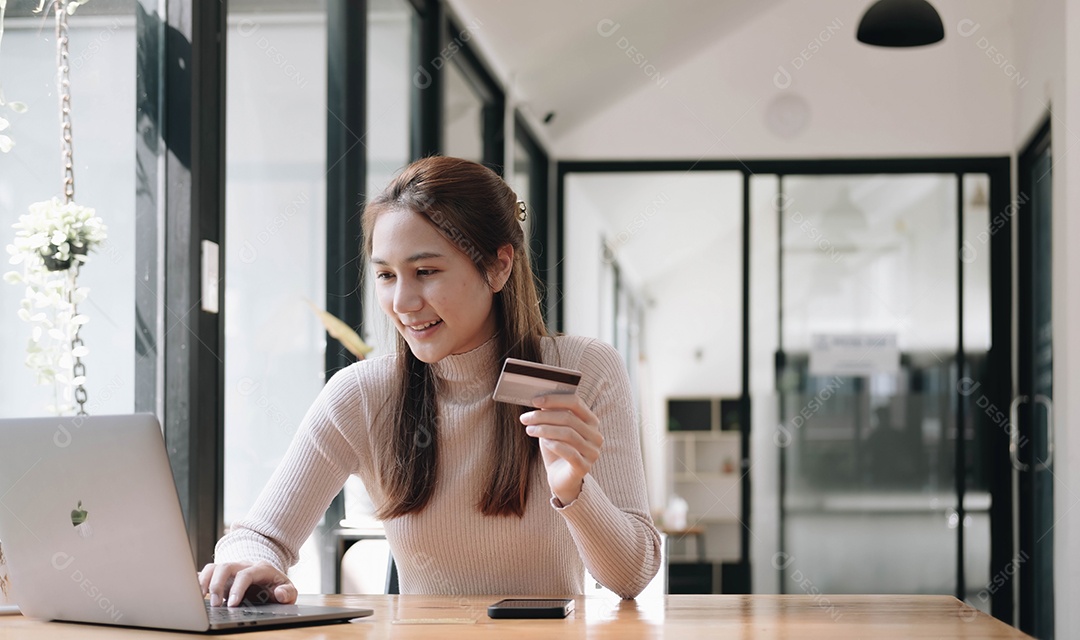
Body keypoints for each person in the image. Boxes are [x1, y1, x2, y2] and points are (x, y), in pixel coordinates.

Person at [199, 156, 661, 606]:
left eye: (425, 272)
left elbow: (631, 577)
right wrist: (246, 566)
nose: (402, 301)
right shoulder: (362, 394)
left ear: (499, 266)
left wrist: (574, 490)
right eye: (385, 275)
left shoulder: (583, 370)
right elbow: (258, 537)